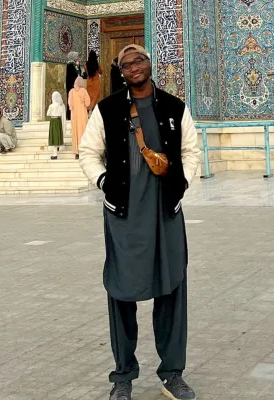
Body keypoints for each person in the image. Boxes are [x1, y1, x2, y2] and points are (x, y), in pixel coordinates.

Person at [79, 44, 201, 400]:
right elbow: (89, 151)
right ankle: (123, 376)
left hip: (165, 212)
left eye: (139, 60)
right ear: (119, 70)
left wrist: (182, 185)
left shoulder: (175, 107)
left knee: (172, 287)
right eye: (126, 63)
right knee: (121, 291)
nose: (134, 67)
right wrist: (104, 183)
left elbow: (191, 150)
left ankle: (172, 373)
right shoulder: (107, 109)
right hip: (125, 215)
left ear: (149, 64)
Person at [68, 76, 91, 159]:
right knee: (83, 131)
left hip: (74, 115)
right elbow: (88, 103)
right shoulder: (83, 91)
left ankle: (76, 152)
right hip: (82, 114)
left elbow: (70, 105)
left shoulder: (71, 92)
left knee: (75, 131)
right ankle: (83, 151)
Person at [47, 90, 65, 159]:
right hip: (59, 121)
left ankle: (55, 154)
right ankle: (58, 147)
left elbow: (48, 114)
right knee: (57, 135)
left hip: (53, 121)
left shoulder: (51, 106)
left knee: (54, 137)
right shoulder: (61, 105)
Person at [65, 51, 83, 120]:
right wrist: (73, 86)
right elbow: (71, 77)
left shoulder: (75, 65)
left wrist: (78, 66)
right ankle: (70, 117)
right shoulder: (70, 65)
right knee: (71, 102)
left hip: (76, 87)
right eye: (77, 56)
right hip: (71, 87)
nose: (78, 58)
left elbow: (79, 74)